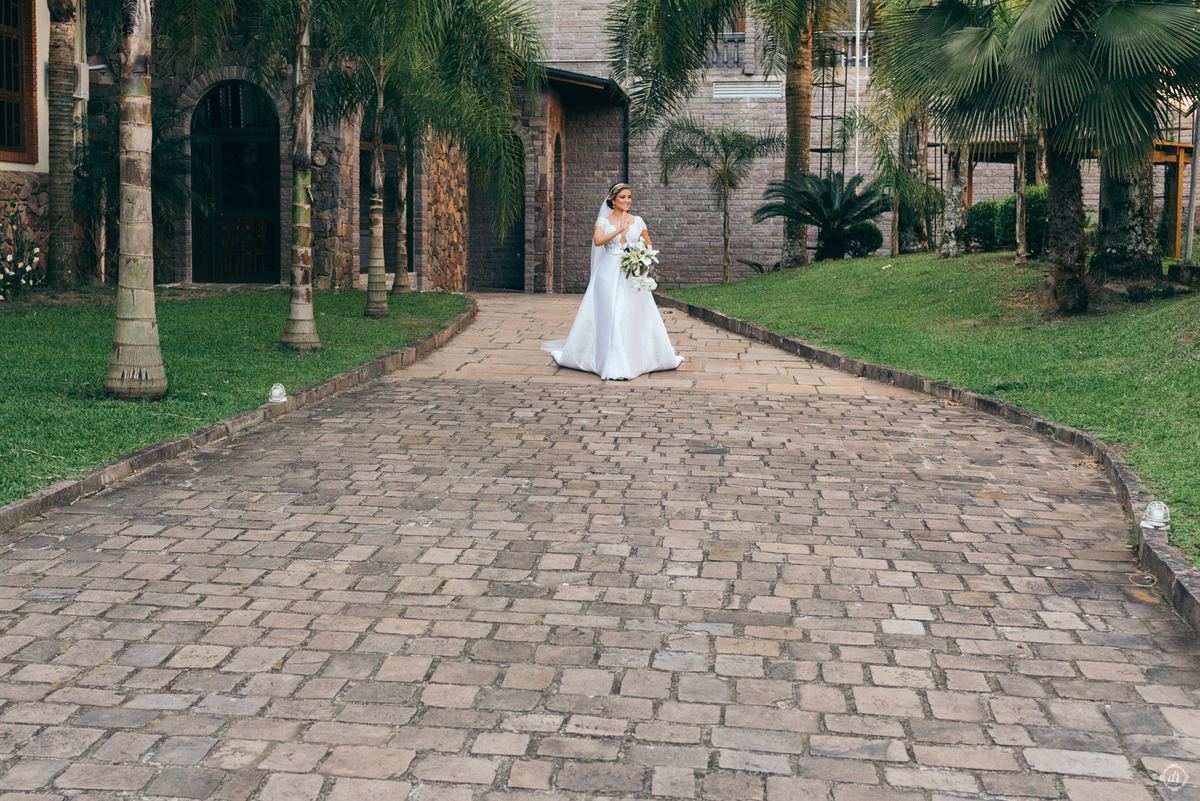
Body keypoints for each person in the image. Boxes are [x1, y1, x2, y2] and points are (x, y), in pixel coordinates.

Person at [542, 183, 684, 380]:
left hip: (632, 273)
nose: (627, 201)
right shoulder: (603, 221)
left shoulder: (638, 221)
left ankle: (635, 358)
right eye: (622, 197)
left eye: (629, 197)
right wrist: (618, 231)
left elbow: (648, 245)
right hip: (608, 273)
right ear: (612, 200)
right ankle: (609, 360)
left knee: (633, 314)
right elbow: (598, 241)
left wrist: (640, 258)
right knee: (611, 313)